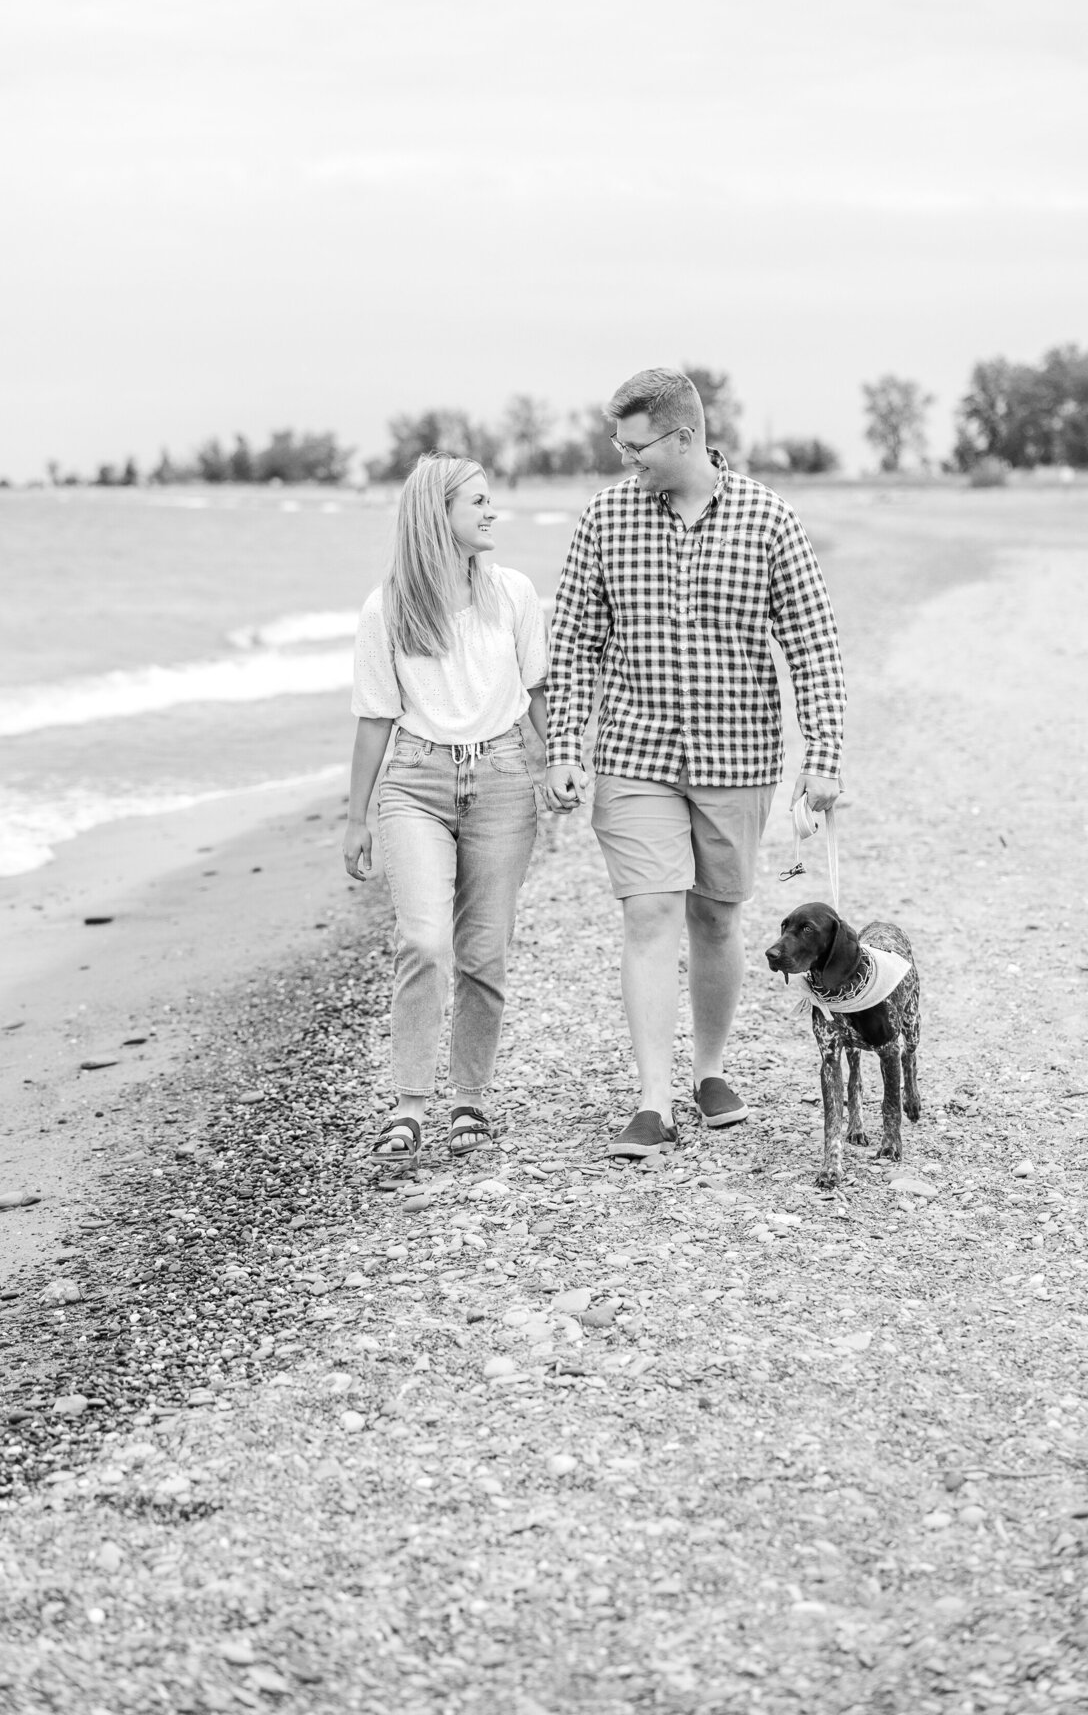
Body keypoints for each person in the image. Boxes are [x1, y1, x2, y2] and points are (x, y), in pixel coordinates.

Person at [544, 368, 846, 1156]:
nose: (623, 458)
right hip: (635, 753)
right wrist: (566, 744)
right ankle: (652, 1100)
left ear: (684, 438)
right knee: (648, 914)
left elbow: (814, 648)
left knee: (715, 918)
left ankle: (709, 1071)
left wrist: (825, 758)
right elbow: (575, 639)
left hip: (737, 757)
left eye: (635, 444)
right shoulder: (606, 517)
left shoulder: (769, 518)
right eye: (618, 443)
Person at [343, 452, 549, 1172]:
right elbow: (374, 718)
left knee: (484, 951)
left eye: (492, 501)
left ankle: (470, 1097)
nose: (493, 513)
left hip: (500, 783)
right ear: (440, 515)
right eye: (480, 503)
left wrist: (553, 765)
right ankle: (408, 1105)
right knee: (424, 942)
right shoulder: (388, 608)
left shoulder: (514, 594)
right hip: (414, 783)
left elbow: (539, 692)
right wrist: (357, 816)